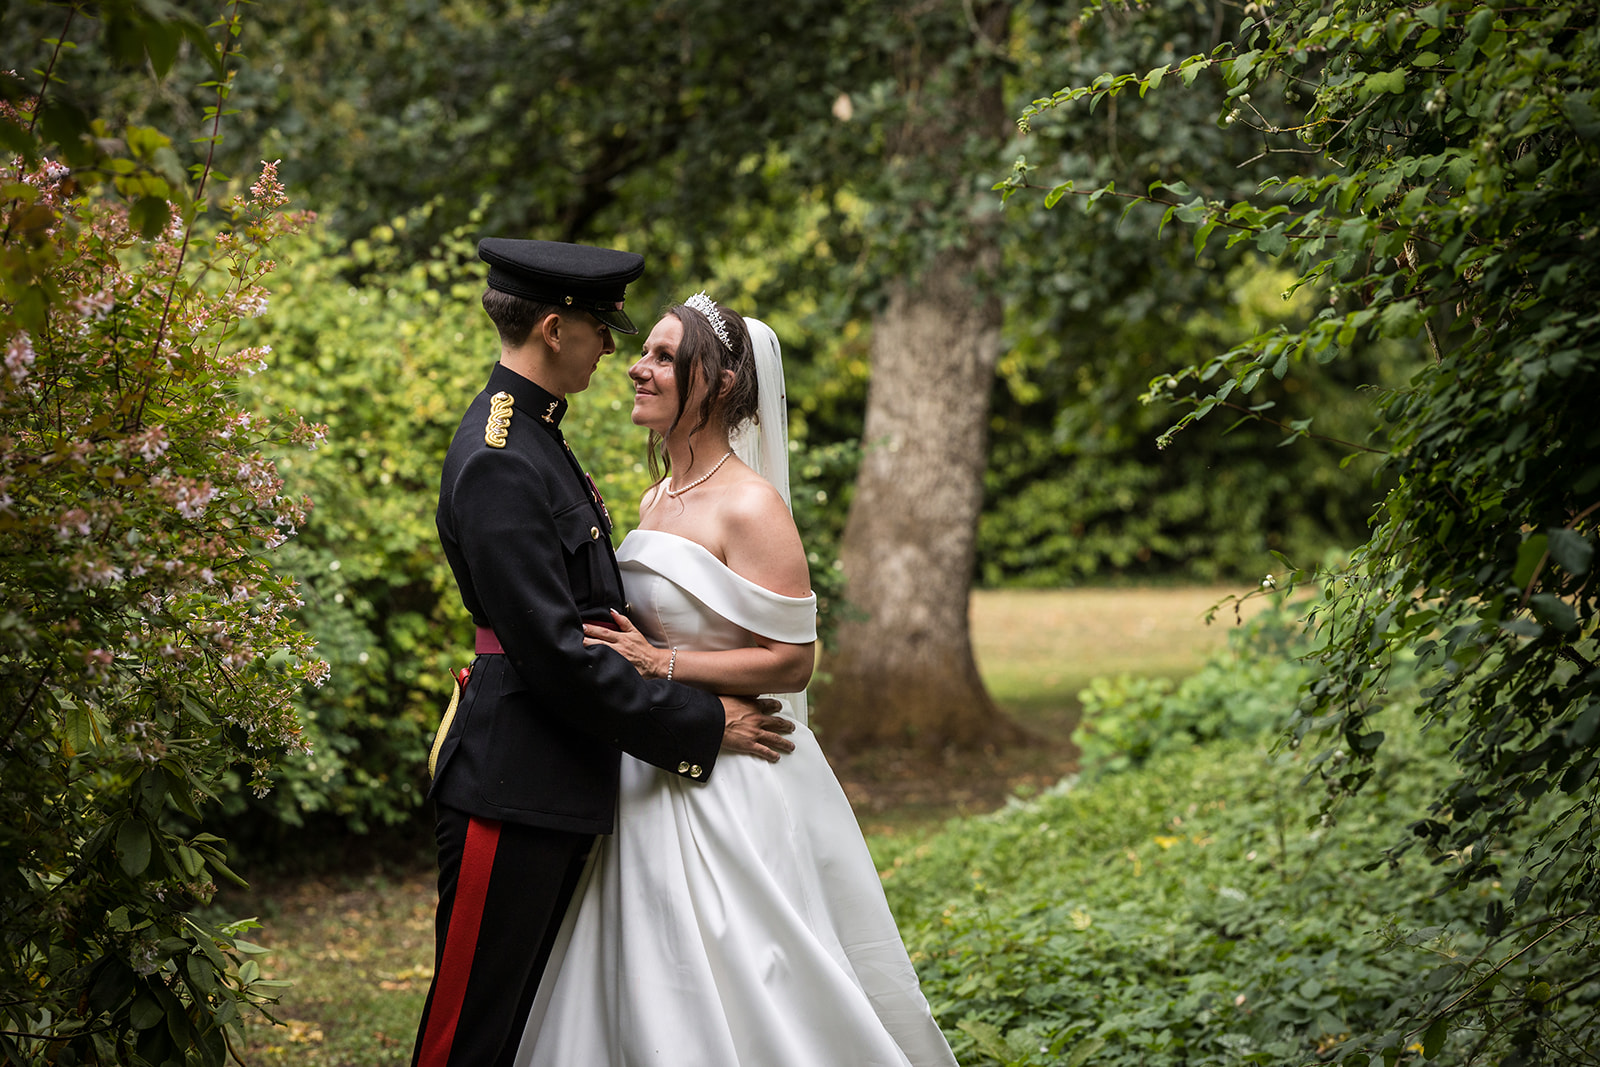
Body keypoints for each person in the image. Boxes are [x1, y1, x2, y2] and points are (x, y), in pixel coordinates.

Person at [514, 294, 960, 1066]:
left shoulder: (753, 506)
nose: (637, 368)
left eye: (660, 357)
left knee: (747, 971)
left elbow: (792, 659)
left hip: (731, 779)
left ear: (716, 384)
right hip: (654, 764)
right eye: (643, 353)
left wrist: (665, 664)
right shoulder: (657, 498)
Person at [412, 242, 797, 1067]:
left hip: (552, 774)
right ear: (555, 329)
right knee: (470, 1031)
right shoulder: (500, 455)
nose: (614, 351)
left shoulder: (536, 438)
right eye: (601, 328)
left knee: (519, 1024)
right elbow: (556, 655)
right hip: (508, 778)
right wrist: (701, 723)